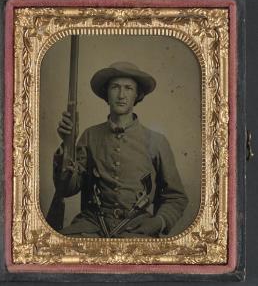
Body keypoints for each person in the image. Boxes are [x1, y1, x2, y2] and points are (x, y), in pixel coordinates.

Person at [52, 61, 188, 238]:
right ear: (107, 94)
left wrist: (159, 221)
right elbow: (67, 189)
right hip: (91, 226)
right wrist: (67, 145)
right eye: (115, 87)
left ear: (137, 95)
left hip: (137, 229)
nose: (121, 95)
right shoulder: (90, 135)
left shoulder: (157, 141)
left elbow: (176, 197)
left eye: (128, 88)